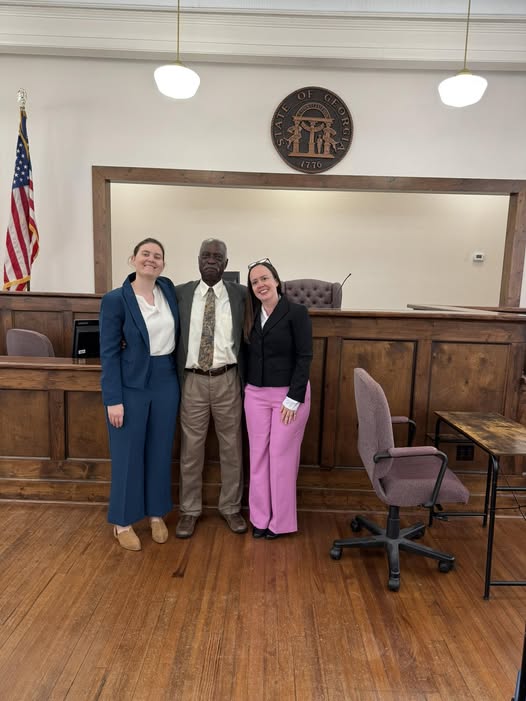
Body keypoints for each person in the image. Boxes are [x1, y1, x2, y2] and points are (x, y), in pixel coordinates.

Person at [99, 237, 180, 551]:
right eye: (145, 254)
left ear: (163, 264)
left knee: (160, 450)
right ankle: (122, 522)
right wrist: (113, 399)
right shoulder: (116, 299)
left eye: (157, 256)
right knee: (127, 454)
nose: (151, 259)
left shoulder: (168, 291)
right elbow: (108, 353)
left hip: (166, 381)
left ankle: (156, 513)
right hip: (130, 385)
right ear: (132, 259)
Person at [174, 238, 247, 538]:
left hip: (227, 378)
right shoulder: (180, 293)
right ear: (198, 259)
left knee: (232, 448)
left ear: (226, 263)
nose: (211, 260)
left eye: (217, 256)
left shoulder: (242, 295)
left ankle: (231, 507)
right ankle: (189, 510)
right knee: (191, 449)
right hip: (192, 380)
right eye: (206, 255)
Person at [243, 258, 312, 539]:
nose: (260, 284)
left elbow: (305, 356)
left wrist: (294, 398)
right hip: (255, 394)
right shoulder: (250, 315)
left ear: (276, 281)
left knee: (281, 457)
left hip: (288, 396)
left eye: (264, 278)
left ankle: (280, 522)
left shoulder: (296, 313)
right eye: (254, 281)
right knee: (258, 457)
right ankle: (260, 519)